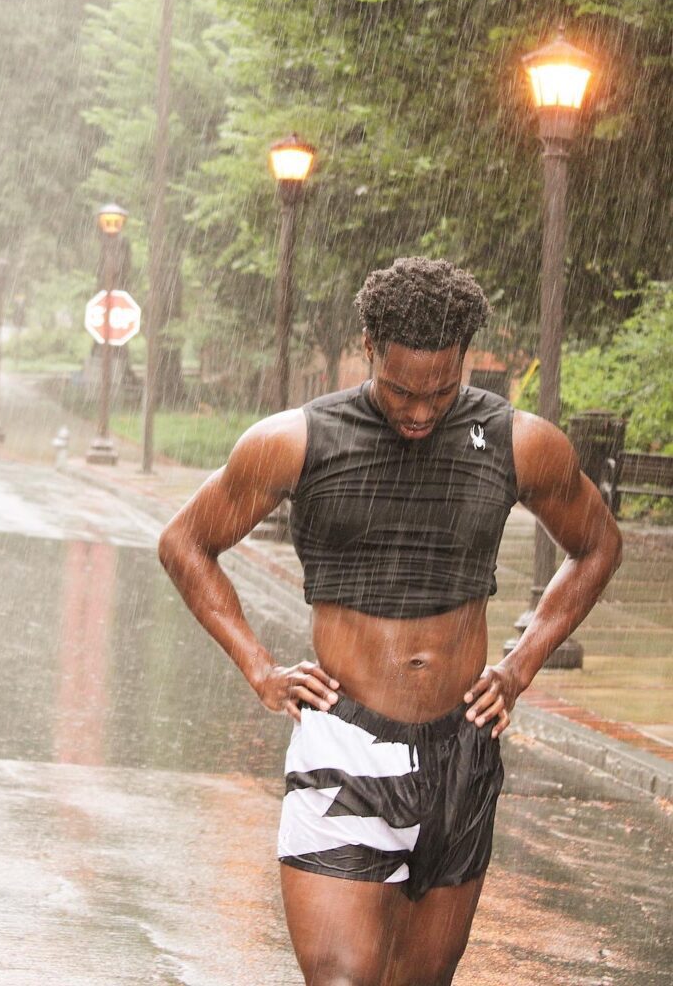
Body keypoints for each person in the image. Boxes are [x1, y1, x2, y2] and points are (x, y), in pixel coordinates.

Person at [157, 257, 622, 986]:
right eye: (402, 388)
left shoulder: (519, 442)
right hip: (345, 741)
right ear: (368, 346)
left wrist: (521, 663)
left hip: (462, 751)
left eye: (440, 390)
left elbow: (597, 546)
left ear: (466, 360)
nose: (418, 411)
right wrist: (259, 667)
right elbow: (186, 543)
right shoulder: (295, 441)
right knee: (344, 978)